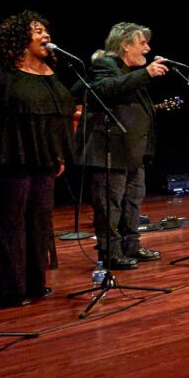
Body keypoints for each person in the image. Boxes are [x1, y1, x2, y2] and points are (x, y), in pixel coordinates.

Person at [0, 11, 75, 307]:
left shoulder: (49, 74)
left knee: (39, 221)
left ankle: (34, 283)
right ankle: (9, 289)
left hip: (43, 159)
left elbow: (56, 118)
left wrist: (57, 153)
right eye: (37, 30)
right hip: (10, 157)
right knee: (10, 224)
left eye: (46, 29)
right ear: (20, 38)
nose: (46, 35)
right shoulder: (5, 73)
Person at [78, 22, 168, 269]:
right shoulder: (105, 65)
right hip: (110, 150)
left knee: (132, 202)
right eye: (142, 43)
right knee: (110, 205)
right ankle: (110, 253)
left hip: (133, 152)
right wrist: (145, 74)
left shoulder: (131, 72)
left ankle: (132, 246)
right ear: (125, 45)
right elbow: (104, 89)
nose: (147, 49)